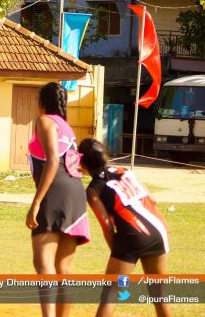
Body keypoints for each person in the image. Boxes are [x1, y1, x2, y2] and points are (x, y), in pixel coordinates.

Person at [78, 138, 171, 317]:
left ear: (83, 162)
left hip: (132, 235)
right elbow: (152, 200)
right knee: (159, 294)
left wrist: (119, 254)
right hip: (158, 230)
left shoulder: (93, 190)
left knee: (109, 297)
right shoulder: (124, 170)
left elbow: (107, 227)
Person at [26, 82, 90, 317]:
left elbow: (53, 160)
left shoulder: (45, 121)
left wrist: (36, 203)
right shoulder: (67, 128)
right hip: (76, 193)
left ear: (42, 103)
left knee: (43, 263)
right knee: (63, 269)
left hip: (56, 192)